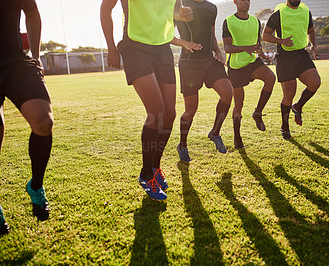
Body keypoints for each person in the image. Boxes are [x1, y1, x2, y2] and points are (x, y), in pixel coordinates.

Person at [100, 0, 193, 201]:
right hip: (135, 47)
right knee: (157, 110)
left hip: (162, 49)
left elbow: (175, 9)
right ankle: (146, 175)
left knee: (169, 114)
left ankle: (155, 167)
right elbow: (106, 7)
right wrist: (111, 47)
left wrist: (182, 13)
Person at [0, 0, 54, 234]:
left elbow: (31, 11)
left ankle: (36, 186)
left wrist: (36, 54)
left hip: (15, 60)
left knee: (43, 121)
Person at [172, 0, 233, 161]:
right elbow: (163, 32)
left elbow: (211, 35)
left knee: (227, 93)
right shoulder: (180, 3)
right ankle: (183, 144)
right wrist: (182, 42)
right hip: (189, 63)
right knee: (191, 110)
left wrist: (218, 52)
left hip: (210, 61)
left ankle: (215, 133)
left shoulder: (212, 7)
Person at [263, 0, 321, 140]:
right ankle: (285, 126)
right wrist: (281, 41)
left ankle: (298, 106)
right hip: (284, 57)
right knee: (289, 93)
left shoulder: (306, 11)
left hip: (301, 54)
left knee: (315, 82)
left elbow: (311, 31)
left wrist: (314, 45)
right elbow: (265, 35)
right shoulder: (278, 14)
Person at [223, 0, 276, 149]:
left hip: (253, 61)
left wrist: (263, 55)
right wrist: (245, 48)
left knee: (271, 78)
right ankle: (237, 137)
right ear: (235, 2)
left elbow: (257, 44)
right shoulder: (229, 21)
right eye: (243, 0)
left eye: (248, 0)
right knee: (238, 104)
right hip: (236, 67)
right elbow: (227, 47)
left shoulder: (255, 21)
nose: (246, 2)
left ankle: (257, 113)